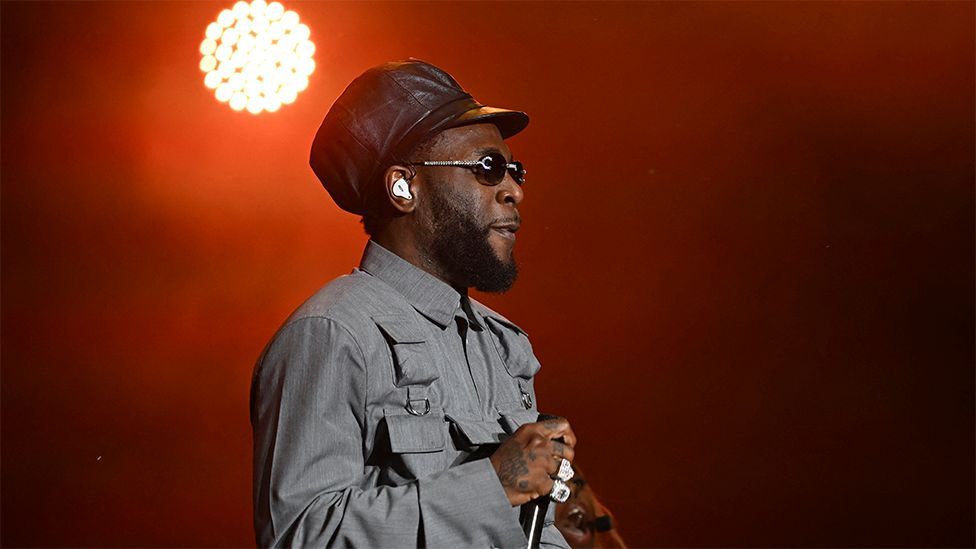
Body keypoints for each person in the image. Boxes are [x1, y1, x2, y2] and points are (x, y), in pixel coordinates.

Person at [250, 59, 577, 548]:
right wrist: (491, 485)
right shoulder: (332, 333)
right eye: (488, 168)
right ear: (404, 187)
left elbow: (526, 533)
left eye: (515, 170)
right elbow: (302, 536)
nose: (514, 190)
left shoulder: (503, 345)